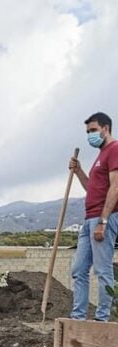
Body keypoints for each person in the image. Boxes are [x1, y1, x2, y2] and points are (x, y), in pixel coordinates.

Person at [70, 111, 118, 321]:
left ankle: (102, 319)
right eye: (88, 131)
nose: (90, 135)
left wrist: (103, 221)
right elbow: (92, 188)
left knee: (102, 270)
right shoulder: (100, 156)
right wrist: (79, 171)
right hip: (89, 219)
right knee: (79, 270)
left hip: (103, 218)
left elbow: (116, 187)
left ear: (105, 128)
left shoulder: (114, 149)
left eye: (93, 130)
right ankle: (78, 318)